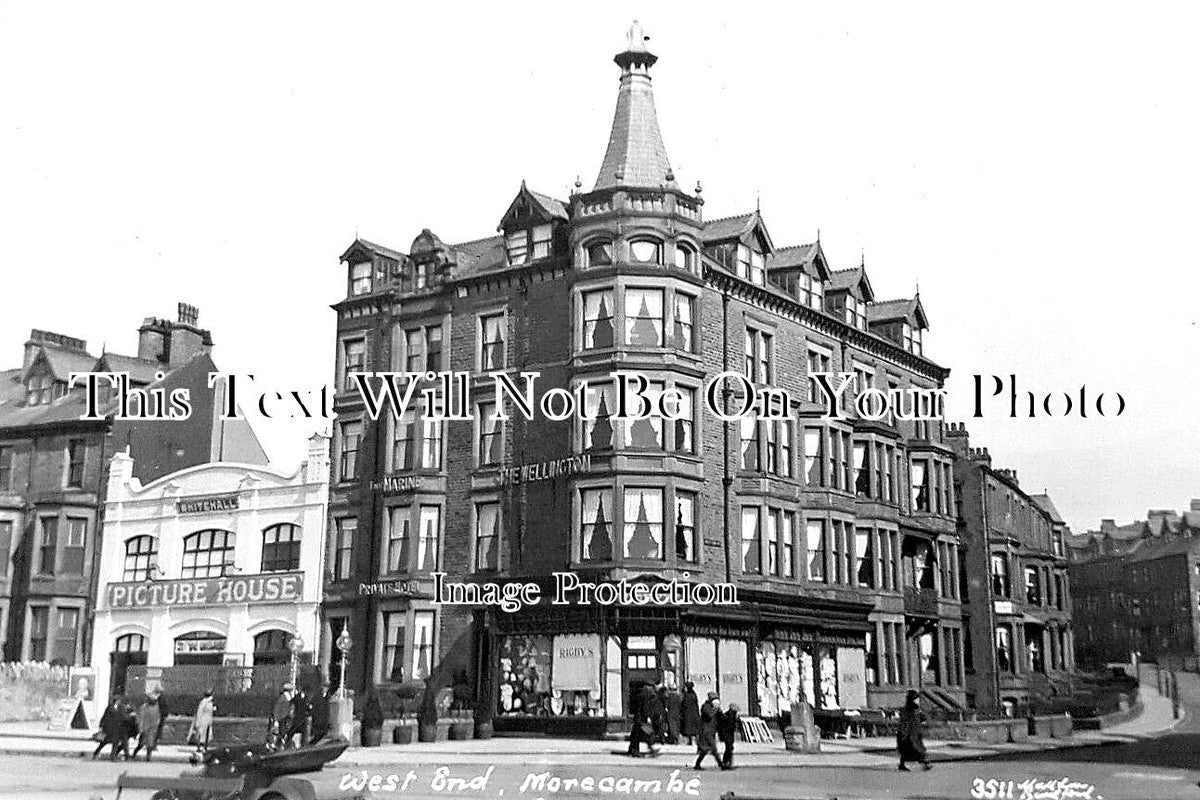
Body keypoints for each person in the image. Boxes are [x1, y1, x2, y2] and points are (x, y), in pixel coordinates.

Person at [897, 690, 932, 771]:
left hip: (907, 731)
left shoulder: (906, 708)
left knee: (907, 749)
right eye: (916, 698)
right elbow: (919, 718)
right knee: (917, 748)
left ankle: (902, 764)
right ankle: (925, 763)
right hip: (911, 732)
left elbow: (908, 719)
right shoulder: (913, 708)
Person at [692, 692, 721, 770]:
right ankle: (721, 764)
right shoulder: (706, 706)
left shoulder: (712, 707)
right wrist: (715, 709)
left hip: (711, 730)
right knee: (713, 748)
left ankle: (697, 764)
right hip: (706, 730)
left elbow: (719, 717)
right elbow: (709, 715)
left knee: (705, 750)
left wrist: (718, 710)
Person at [130, 693, 161, 761]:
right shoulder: (144, 707)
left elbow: (157, 718)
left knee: (150, 744)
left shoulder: (156, 708)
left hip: (152, 729)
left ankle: (148, 757)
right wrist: (140, 727)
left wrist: (155, 726)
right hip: (144, 728)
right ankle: (134, 754)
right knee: (141, 744)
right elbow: (140, 718)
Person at [188, 690, 216, 760]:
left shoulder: (210, 703)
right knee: (200, 734)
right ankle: (199, 747)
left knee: (207, 734)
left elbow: (211, 711)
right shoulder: (203, 702)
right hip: (202, 721)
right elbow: (199, 712)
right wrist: (197, 722)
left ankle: (204, 747)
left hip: (208, 720)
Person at [627, 681, 652, 757]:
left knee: (635, 735)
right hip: (642, 718)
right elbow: (645, 708)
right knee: (645, 733)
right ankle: (636, 751)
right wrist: (647, 717)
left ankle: (632, 749)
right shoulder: (645, 695)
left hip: (637, 718)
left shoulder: (637, 695)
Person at [717, 703, 740, 770]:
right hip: (728, 734)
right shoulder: (730, 715)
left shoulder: (729, 715)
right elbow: (730, 726)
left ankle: (727, 763)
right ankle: (727, 763)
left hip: (728, 734)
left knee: (729, 749)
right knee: (729, 749)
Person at [646, 683, 665, 748]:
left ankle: (653, 742)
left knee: (654, 729)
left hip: (655, 714)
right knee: (657, 728)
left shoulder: (654, 696)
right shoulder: (657, 696)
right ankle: (660, 740)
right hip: (656, 714)